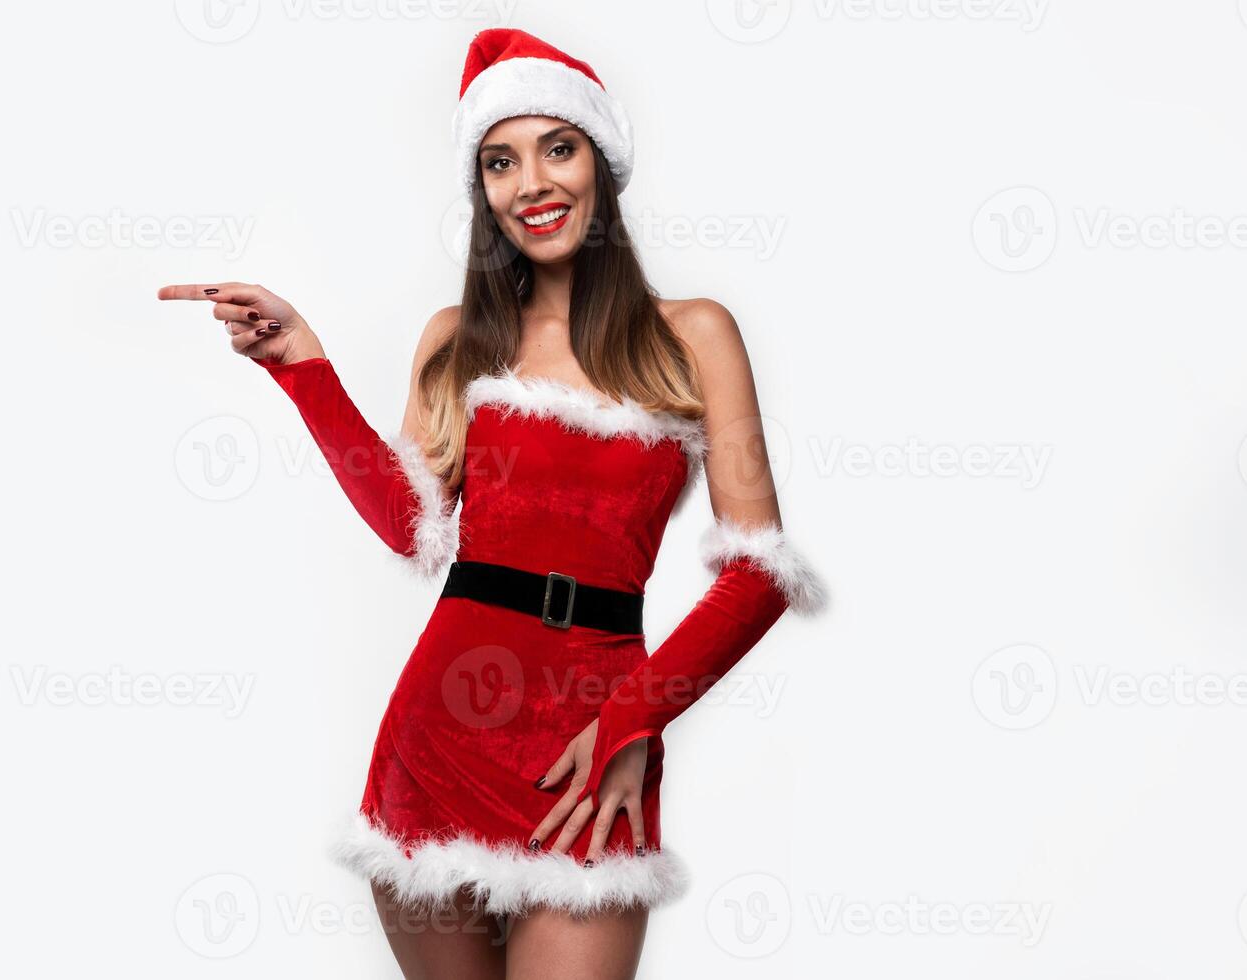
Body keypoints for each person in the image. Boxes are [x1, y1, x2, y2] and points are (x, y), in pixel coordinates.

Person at [159, 27, 827, 980]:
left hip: (595, 737)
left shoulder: (693, 336)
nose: (532, 184)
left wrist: (637, 717)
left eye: (558, 148)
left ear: (600, 160)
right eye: (501, 163)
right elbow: (409, 524)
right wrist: (301, 367)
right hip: (439, 736)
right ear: (484, 192)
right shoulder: (457, 341)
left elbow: (759, 574)